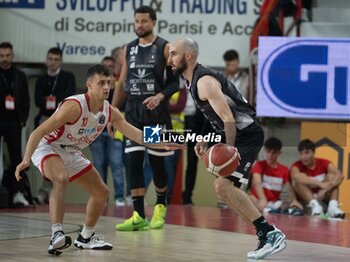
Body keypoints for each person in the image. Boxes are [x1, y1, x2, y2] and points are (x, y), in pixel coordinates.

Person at [14, 64, 183, 254]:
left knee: (102, 192)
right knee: (60, 177)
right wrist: (26, 159)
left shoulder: (110, 111)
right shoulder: (74, 106)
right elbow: (39, 131)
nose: (106, 87)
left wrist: (166, 140)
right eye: (101, 82)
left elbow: (137, 135)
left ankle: (85, 237)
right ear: (89, 85)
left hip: (72, 151)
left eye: (109, 83)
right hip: (47, 147)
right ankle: (56, 234)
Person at [168, 38, 287, 260]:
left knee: (223, 184)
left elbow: (228, 118)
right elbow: (210, 114)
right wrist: (203, 138)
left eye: (173, 54)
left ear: (188, 56)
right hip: (240, 134)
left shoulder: (204, 81)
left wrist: (230, 149)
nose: (169, 59)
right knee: (222, 188)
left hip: (247, 134)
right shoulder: (192, 80)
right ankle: (265, 233)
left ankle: (269, 233)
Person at [111, 6, 179, 231]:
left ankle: (160, 206)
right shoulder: (127, 48)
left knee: (157, 162)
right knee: (133, 162)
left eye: (144, 21)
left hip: (155, 114)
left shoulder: (165, 47)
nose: (139, 25)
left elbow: (174, 83)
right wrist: (111, 112)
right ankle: (138, 214)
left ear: (153, 22)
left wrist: (160, 96)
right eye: (136, 21)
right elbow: (121, 83)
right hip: (132, 113)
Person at [34, 47, 76, 204]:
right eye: (50, 59)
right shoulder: (41, 80)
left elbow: (70, 96)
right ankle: (44, 190)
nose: (52, 62)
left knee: (61, 155)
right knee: (44, 153)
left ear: (61, 61)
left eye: (56, 59)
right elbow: (38, 101)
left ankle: (56, 189)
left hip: (62, 120)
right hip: (46, 118)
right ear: (46, 60)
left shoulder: (67, 77)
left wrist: (54, 99)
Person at [90, 56, 126, 207]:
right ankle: (102, 198)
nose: (108, 68)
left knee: (116, 164)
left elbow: (124, 107)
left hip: (115, 129)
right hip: (96, 131)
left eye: (111, 66)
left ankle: (119, 198)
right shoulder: (95, 88)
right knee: (98, 166)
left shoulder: (119, 86)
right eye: (105, 66)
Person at [0, 41, 31, 207]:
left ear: (12, 56)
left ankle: (18, 192)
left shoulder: (19, 75)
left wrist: (23, 120)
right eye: (2, 56)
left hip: (14, 122)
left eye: (7, 55)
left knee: (16, 157)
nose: (4, 59)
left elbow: (26, 99)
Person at [290, 139, 345, 218]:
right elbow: (296, 176)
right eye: (301, 154)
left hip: (323, 196)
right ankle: (315, 206)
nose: (304, 157)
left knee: (332, 176)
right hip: (307, 202)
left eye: (307, 153)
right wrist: (320, 184)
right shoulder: (296, 165)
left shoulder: (323, 162)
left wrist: (326, 189)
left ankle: (332, 207)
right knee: (297, 181)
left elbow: (340, 175)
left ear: (313, 152)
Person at [249, 137, 303, 214]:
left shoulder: (284, 169)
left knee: (289, 205)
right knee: (251, 198)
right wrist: (263, 199)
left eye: (273, 152)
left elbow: (289, 187)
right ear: (264, 151)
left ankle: (270, 210)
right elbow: (257, 183)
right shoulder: (258, 165)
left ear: (279, 153)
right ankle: (266, 210)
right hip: (259, 200)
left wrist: (294, 200)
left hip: (274, 203)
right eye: (268, 151)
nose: (270, 155)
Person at [181, 94, 205, 205]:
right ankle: (166, 196)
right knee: (168, 160)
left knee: (192, 161)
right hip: (179, 122)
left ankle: (187, 196)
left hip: (198, 122)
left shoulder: (200, 82)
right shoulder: (177, 82)